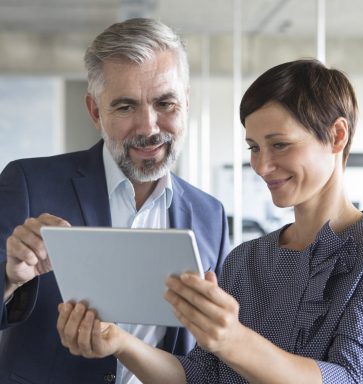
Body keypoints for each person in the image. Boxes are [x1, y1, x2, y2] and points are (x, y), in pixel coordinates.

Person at [57, 58, 363, 383]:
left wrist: (233, 340)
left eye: (279, 145)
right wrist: (119, 342)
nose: (261, 165)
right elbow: (199, 377)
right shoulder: (245, 259)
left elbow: (353, 378)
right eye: (254, 148)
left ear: (337, 135)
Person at [0, 18, 230, 384]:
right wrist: (9, 279)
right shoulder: (28, 183)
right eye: (125, 107)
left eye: (165, 103)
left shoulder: (210, 215)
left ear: (185, 102)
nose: (149, 127)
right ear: (95, 111)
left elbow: (207, 353)